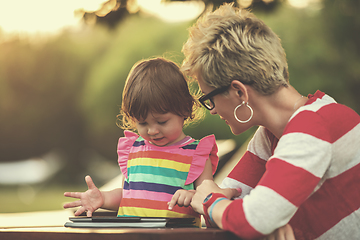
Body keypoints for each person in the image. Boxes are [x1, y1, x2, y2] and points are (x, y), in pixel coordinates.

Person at [181, 3, 360, 240]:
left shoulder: (315, 125)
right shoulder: (270, 136)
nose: (212, 111)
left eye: (209, 98)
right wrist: (229, 209)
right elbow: (228, 209)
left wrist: (210, 200)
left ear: (239, 92)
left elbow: (247, 218)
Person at [63, 57, 219, 227]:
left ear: (185, 109)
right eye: (143, 123)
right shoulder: (133, 150)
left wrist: (193, 197)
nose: (152, 130)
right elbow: (128, 195)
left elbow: (209, 200)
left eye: (161, 122)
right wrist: (104, 198)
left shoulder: (197, 155)